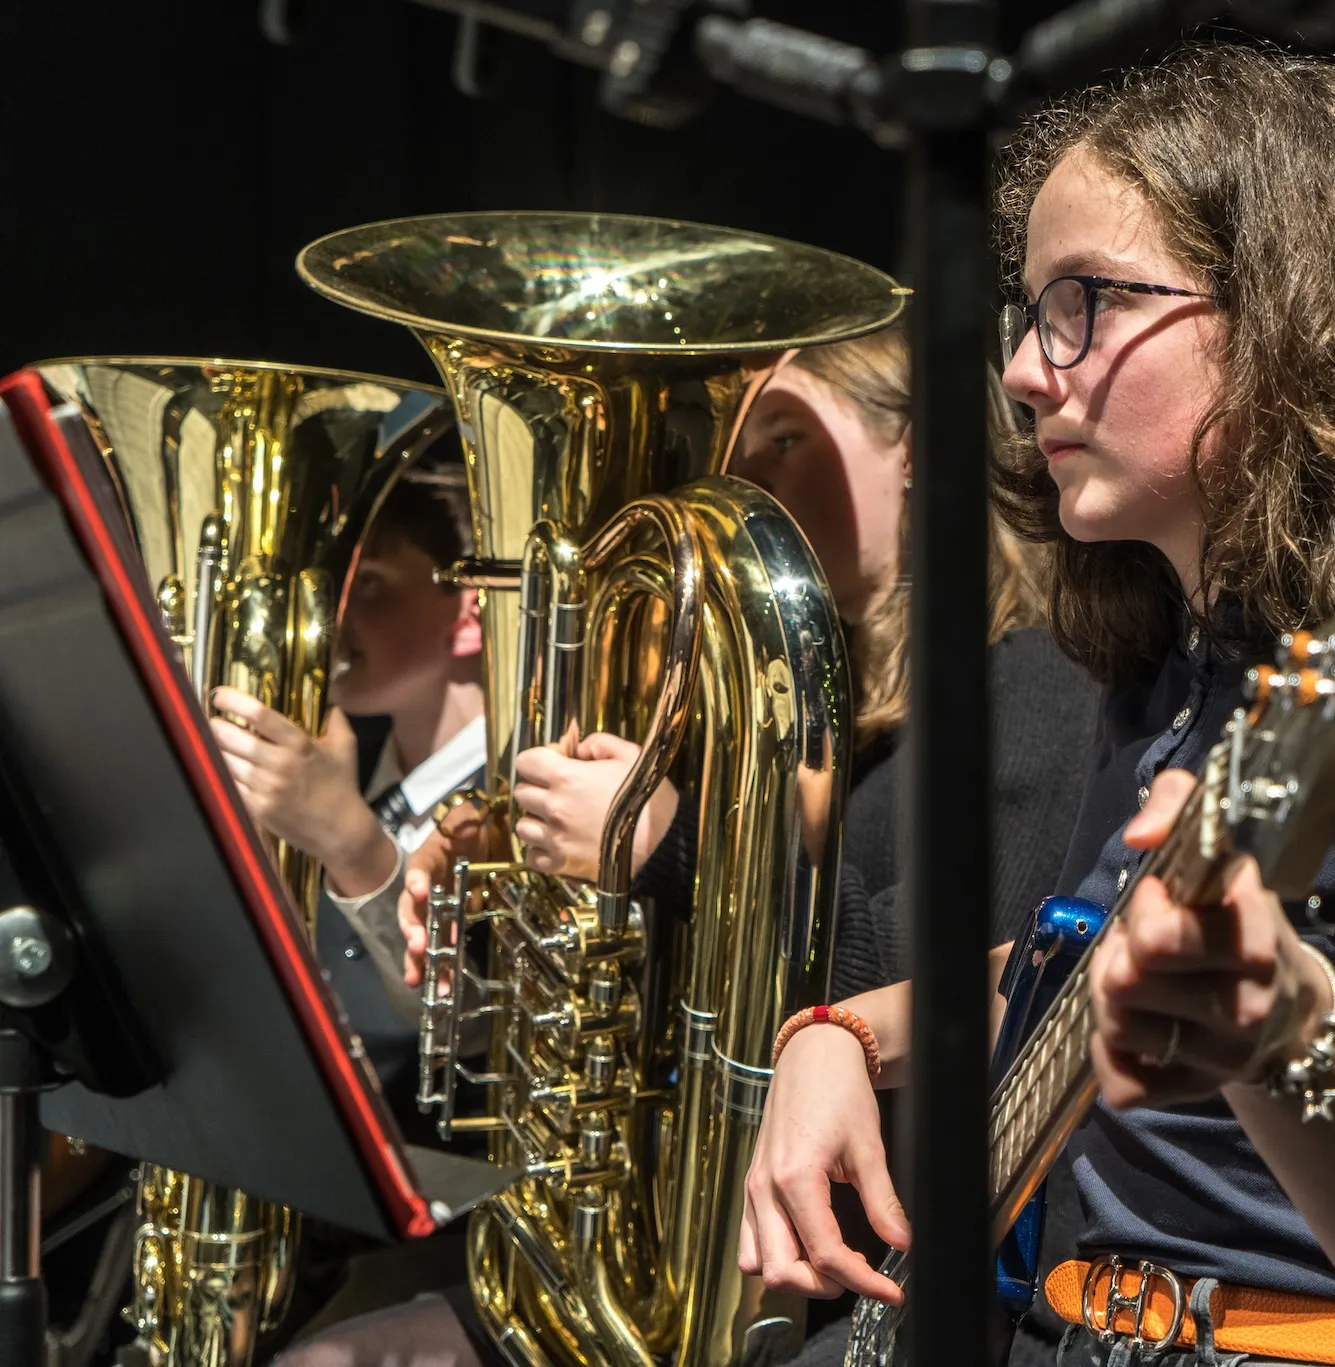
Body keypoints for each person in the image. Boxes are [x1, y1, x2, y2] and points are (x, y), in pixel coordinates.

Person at [741, 44, 1335, 1367]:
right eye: (1031, 311)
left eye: (1083, 302)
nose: (1025, 371)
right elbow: (1082, 963)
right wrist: (841, 1031)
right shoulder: (1172, 679)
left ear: (1296, 316)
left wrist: (1287, 1034)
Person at [271, 327, 1102, 1367]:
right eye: (737, 454)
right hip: (707, 1253)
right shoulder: (804, 720)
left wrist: (668, 842)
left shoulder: (1035, 684)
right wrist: (511, 878)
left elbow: (954, 997)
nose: (742, 489)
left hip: (850, 1294)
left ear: (917, 449)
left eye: (783, 440)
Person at [211, 448, 486, 1095]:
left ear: (469, 613)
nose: (329, 617)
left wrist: (350, 843)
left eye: (370, 582)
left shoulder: (517, 796)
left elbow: (480, 1034)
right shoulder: (354, 755)